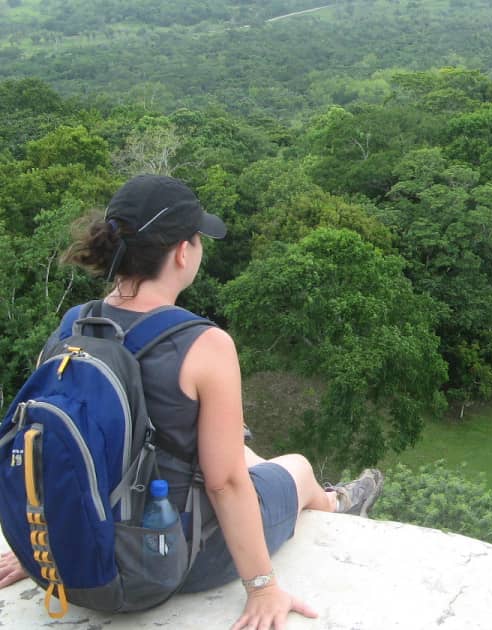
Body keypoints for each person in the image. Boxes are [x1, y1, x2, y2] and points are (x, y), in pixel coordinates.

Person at [0, 174, 383, 629]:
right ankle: (338, 502)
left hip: (77, 552)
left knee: (239, 451)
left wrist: (47, 547)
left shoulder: (76, 326)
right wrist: (262, 587)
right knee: (296, 467)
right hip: (166, 560)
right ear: (183, 251)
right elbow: (224, 485)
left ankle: (328, 496)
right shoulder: (204, 344)